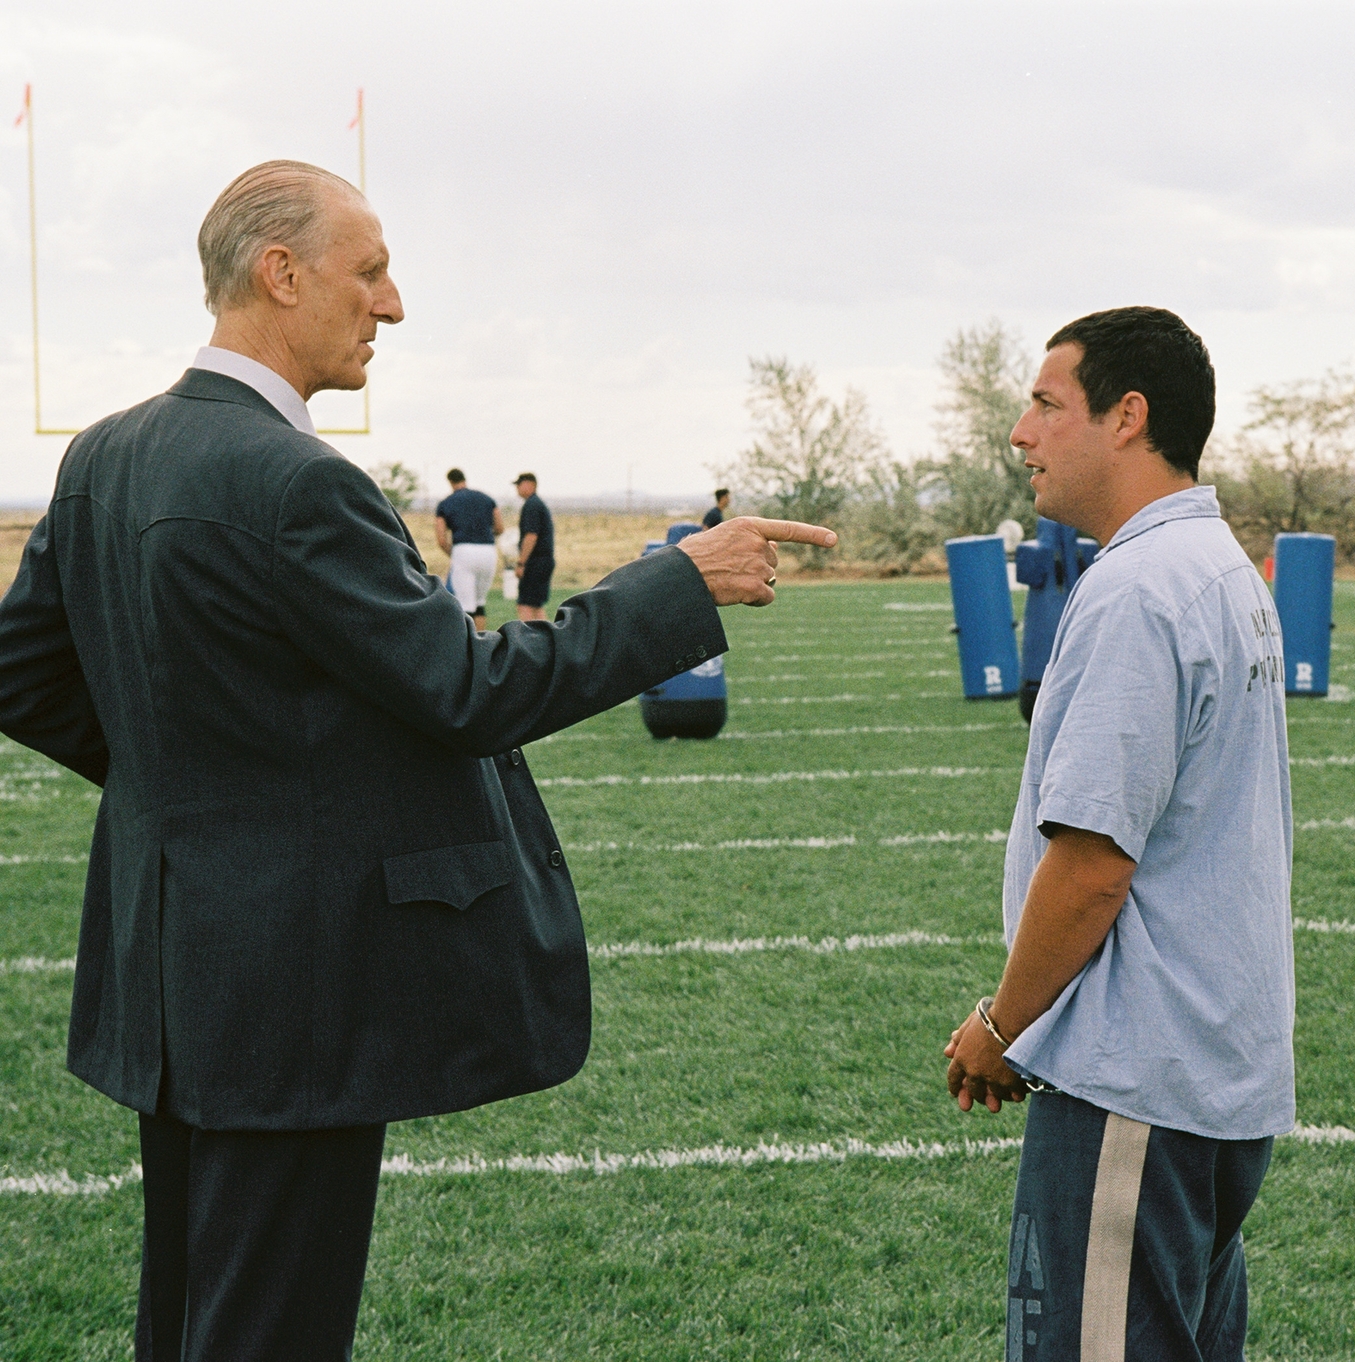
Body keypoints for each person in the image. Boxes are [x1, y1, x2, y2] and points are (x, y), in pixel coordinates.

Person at [0, 159, 834, 1360]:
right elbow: (469, 689)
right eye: (371, 271)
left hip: (174, 974)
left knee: (190, 1315)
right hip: (290, 989)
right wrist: (673, 588)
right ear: (279, 275)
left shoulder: (102, 456)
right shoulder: (294, 480)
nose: (391, 305)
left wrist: (201, 796)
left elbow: (24, 674)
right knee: (267, 1329)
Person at [945, 307, 1294, 1362]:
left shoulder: (1137, 590)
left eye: (1047, 404)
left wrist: (1001, 1027)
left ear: (1126, 418)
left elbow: (1092, 866)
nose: (1021, 432)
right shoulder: (1215, 566)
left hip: (1135, 1079)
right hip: (1207, 1074)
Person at [435, 468, 502, 630]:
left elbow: (441, 539)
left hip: (463, 549)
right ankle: (482, 645)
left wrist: (454, 554)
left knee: (466, 605)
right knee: (479, 603)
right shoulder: (486, 499)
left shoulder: (446, 503)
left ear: (450, 482)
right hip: (488, 551)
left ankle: (468, 647)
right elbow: (499, 528)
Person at [512, 472, 555, 622]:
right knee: (536, 606)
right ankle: (546, 642)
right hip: (544, 561)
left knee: (525, 605)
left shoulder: (532, 505)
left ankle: (531, 641)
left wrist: (521, 562)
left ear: (531, 484)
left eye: (519, 484)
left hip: (535, 562)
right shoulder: (537, 504)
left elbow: (531, 536)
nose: (517, 488)